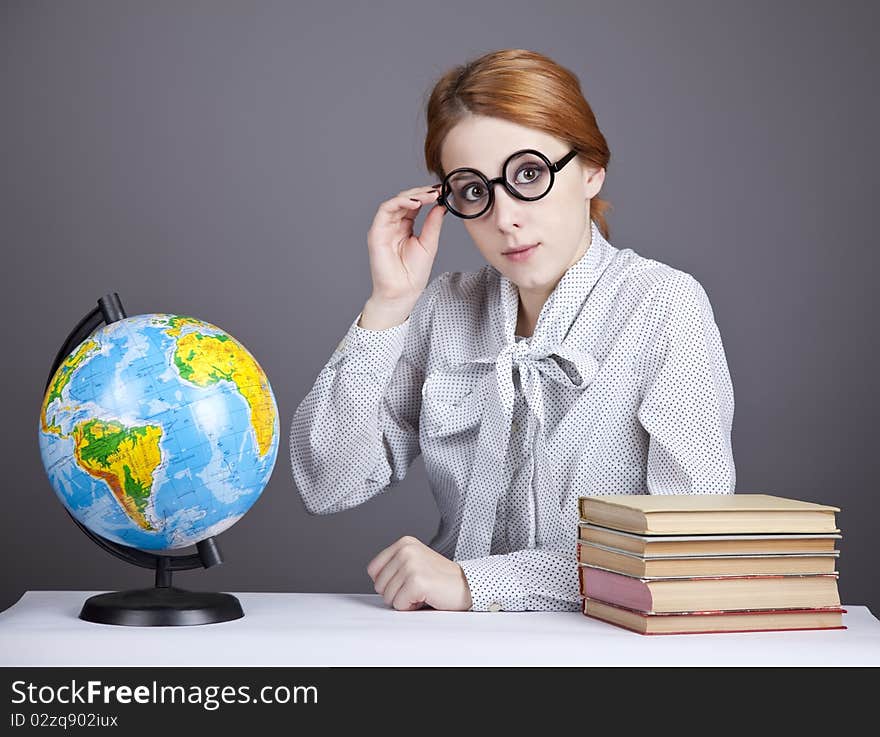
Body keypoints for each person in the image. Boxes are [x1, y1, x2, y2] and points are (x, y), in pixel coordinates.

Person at [289, 48, 736, 614]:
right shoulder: (444, 309)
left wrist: (477, 584)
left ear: (592, 169)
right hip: (449, 644)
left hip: (609, 646)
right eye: (475, 190)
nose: (505, 218)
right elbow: (328, 483)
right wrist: (388, 306)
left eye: (530, 174)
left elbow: (686, 546)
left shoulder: (663, 306)